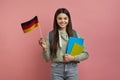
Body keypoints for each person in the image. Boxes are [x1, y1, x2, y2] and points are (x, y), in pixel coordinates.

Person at [39, 8, 89, 80]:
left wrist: (73, 58)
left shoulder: (75, 34)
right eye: (60, 18)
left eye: (65, 18)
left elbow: (86, 54)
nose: (62, 21)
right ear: (56, 20)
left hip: (72, 69)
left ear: (69, 20)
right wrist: (44, 48)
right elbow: (47, 58)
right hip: (56, 70)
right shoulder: (50, 35)